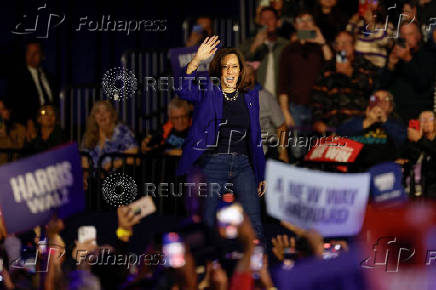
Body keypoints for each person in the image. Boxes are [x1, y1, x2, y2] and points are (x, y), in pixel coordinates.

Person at [175, 36, 266, 241]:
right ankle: (210, 269)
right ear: (218, 71)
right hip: (213, 163)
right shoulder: (209, 92)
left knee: (254, 224)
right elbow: (182, 90)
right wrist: (197, 60)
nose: (230, 71)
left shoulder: (251, 99)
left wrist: (261, 173)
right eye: (225, 67)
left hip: (244, 165)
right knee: (207, 222)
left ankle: (257, 270)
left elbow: (256, 138)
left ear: (241, 70)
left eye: (234, 67)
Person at [311, 31, 378, 134]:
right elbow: (318, 98)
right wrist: (318, 121)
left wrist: (350, 73)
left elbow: (372, 89)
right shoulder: (327, 68)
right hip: (332, 127)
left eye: (346, 43)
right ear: (335, 47)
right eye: (339, 43)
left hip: (360, 125)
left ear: (353, 45)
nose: (342, 47)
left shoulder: (364, 65)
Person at [278, 9, 333, 130]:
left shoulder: (322, 46)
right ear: (295, 25)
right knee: (298, 147)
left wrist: (322, 42)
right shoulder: (288, 49)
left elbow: (333, 66)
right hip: (296, 106)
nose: (305, 23)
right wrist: (285, 111)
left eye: (309, 20)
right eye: (301, 21)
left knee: (318, 147)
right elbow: (282, 83)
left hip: (319, 107)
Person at [380, 20, 436, 122]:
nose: (406, 38)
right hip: (395, 113)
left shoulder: (429, 55)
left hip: (418, 113)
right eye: (403, 35)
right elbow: (381, 85)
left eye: (410, 34)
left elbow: (423, 84)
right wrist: (390, 65)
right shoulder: (395, 54)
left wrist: (408, 59)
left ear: (419, 35)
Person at [336, 90, 406, 169]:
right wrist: (368, 122)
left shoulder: (395, 125)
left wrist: (384, 121)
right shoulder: (357, 121)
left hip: (384, 169)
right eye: (376, 99)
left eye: (385, 99)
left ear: (390, 107)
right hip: (356, 169)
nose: (380, 102)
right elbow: (340, 134)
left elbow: (402, 139)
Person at [239, 6, 289, 98]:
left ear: (278, 22)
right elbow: (240, 68)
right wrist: (254, 46)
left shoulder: (286, 45)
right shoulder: (248, 44)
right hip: (256, 97)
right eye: (263, 19)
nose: (266, 22)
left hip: (281, 98)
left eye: (270, 18)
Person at [7, 41, 59, 126]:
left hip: (51, 123)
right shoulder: (18, 78)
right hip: (29, 125)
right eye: (29, 53)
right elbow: (15, 103)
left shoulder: (49, 77)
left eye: (35, 53)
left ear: (42, 55)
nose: (31, 56)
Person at [244, 63, 288, 162]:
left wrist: (283, 152)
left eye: (250, 75)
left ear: (255, 76)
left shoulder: (266, 97)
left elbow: (281, 126)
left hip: (267, 147)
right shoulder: (233, 97)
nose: (247, 79)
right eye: (244, 75)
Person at [81, 100, 138, 171]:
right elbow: (84, 161)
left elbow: (135, 158)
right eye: (98, 112)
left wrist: (114, 163)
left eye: (106, 111)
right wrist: (85, 176)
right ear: (94, 117)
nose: (101, 114)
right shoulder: (89, 134)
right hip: (93, 179)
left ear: (112, 114)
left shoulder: (122, 131)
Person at [346, 0, 394, 67]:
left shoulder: (387, 25)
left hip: (376, 67)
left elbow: (383, 41)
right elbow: (346, 39)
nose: (369, 4)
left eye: (373, 1)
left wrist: (371, 24)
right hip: (357, 65)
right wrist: (353, 21)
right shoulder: (359, 23)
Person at [402, 111, 436, 198]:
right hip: (419, 190)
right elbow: (409, 159)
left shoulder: (420, 140)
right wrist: (415, 141)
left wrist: (420, 140)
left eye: (430, 119)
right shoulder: (415, 142)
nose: (426, 122)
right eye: (423, 119)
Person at [0, 98, 26, 165]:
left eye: (3, 109)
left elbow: (19, 150)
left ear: (9, 111)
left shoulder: (19, 128)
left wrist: (4, 137)